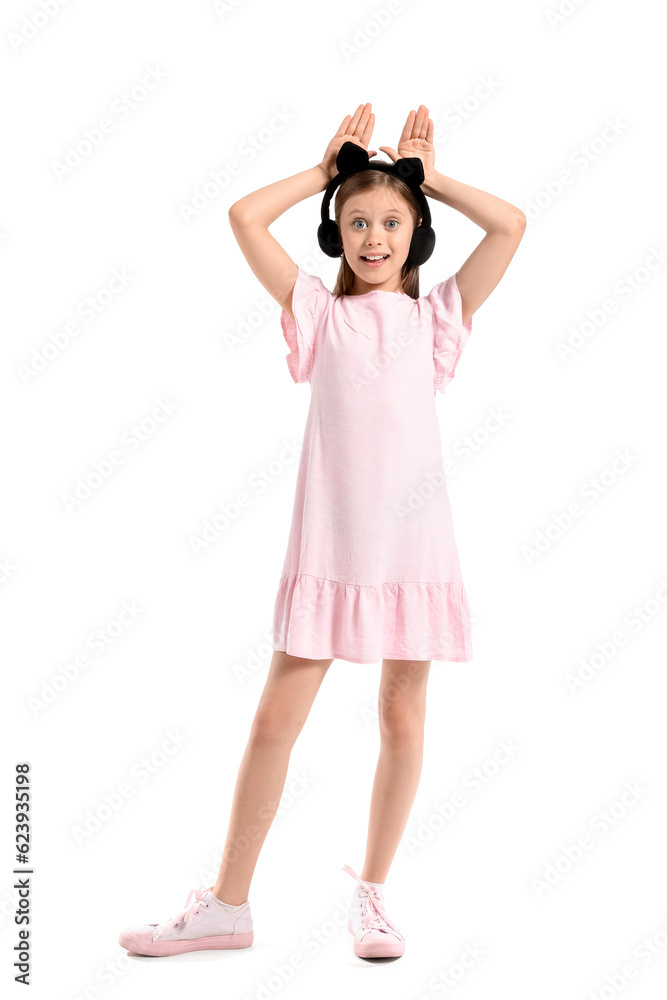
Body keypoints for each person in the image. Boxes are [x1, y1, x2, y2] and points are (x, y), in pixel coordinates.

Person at [118, 102, 526, 961]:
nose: (371, 235)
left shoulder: (434, 321)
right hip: (330, 550)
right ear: (334, 233)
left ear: (415, 234)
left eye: (389, 222)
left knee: (401, 718)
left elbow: (513, 224)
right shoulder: (318, 310)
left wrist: (431, 179)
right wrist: (329, 166)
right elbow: (242, 217)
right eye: (353, 221)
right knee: (273, 722)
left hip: (411, 551)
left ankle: (371, 897)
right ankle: (228, 904)